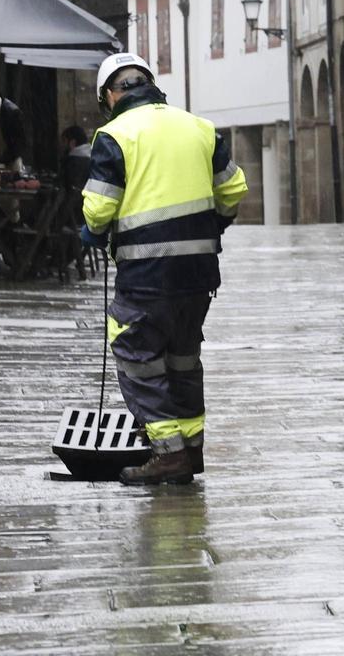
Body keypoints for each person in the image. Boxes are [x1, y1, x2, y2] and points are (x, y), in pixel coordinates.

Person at [81, 53, 249, 485]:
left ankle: (169, 453)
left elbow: (99, 209)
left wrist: (92, 230)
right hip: (198, 275)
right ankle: (192, 450)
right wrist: (213, 226)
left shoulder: (113, 136)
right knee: (183, 359)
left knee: (137, 356)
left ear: (110, 95)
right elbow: (233, 189)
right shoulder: (200, 128)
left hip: (145, 275)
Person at [60, 125, 91, 193]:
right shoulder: (94, 158)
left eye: (64, 141)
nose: (62, 144)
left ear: (72, 142)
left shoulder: (73, 163)